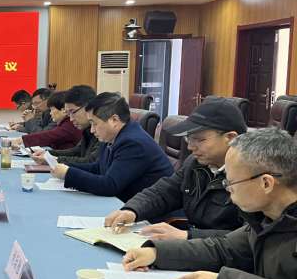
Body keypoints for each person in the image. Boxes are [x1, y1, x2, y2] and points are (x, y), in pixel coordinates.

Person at [123, 128, 297, 279]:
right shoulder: (266, 219)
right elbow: (222, 249)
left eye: (231, 182)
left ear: (266, 183)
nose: (227, 189)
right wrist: (157, 253)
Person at [105, 98, 247, 240]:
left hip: (219, 251)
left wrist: (187, 236)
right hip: (195, 246)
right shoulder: (195, 163)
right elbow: (163, 192)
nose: (190, 147)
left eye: (199, 139)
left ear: (230, 138)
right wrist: (132, 210)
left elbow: (248, 238)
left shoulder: (250, 176)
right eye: (189, 138)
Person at [50, 93, 173, 201]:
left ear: (114, 120)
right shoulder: (113, 135)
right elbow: (98, 168)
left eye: (94, 123)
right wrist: (66, 167)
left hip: (149, 213)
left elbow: (110, 185)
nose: (92, 130)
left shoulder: (133, 143)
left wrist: (68, 174)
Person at [32, 85, 100, 165]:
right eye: (68, 113)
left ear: (88, 107)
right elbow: (77, 151)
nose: (71, 119)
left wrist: (55, 159)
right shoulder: (86, 128)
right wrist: (48, 153)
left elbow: (91, 162)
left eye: (73, 112)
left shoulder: (101, 130)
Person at [14, 90, 82, 150]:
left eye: (52, 109)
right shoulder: (48, 115)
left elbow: (47, 136)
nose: (50, 113)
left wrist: (22, 140)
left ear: (63, 110)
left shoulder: (69, 125)